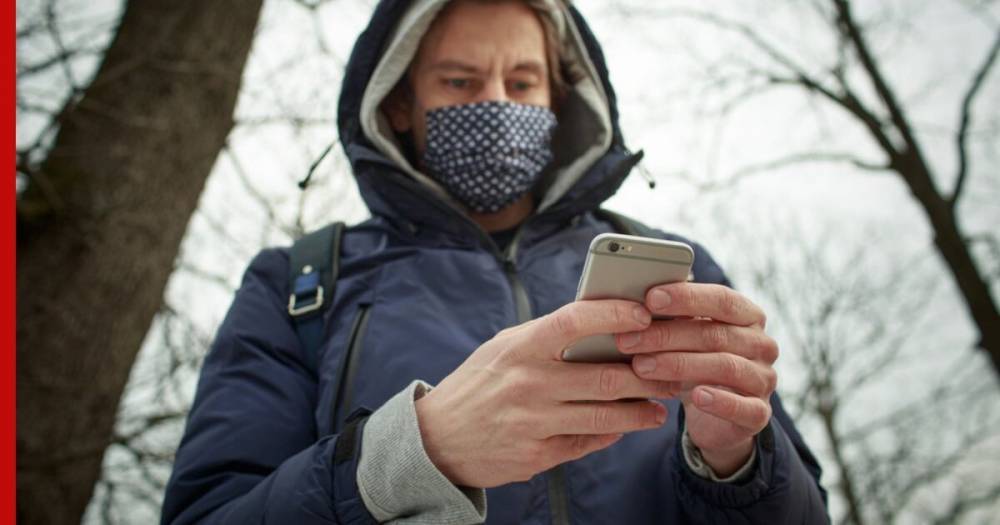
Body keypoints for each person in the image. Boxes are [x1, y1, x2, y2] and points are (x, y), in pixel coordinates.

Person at [162, 0, 830, 523]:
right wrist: (420, 451)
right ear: (399, 102)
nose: (498, 106)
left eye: (522, 80)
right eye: (460, 80)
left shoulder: (680, 272)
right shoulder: (300, 283)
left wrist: (735, 458)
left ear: (557, 98)